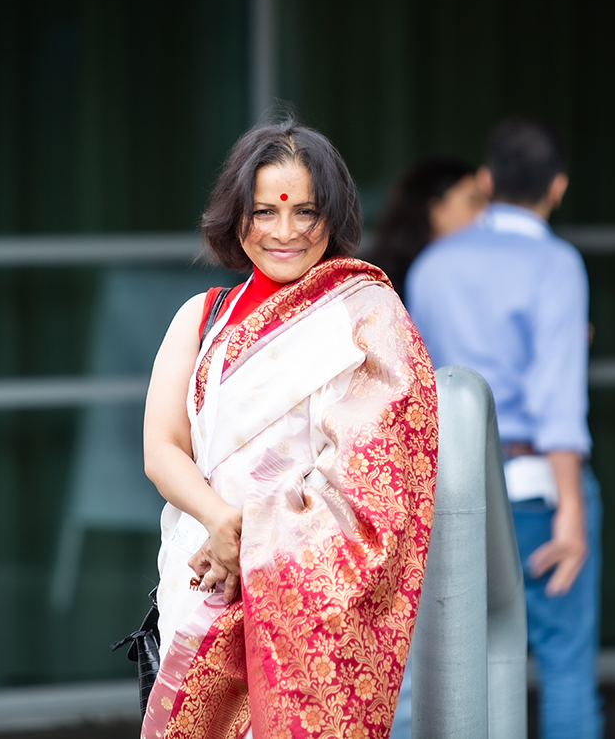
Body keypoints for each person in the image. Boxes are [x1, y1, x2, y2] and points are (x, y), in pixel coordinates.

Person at [140, 118, 439, 738]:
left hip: (307, 605)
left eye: (305, 212)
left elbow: (376, 485)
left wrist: (250, 544)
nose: (285, 232)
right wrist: (220, 523)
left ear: (333, 215)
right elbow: (162, 449)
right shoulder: (203, 317)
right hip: (197, 581)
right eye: (265, 212)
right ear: (236, 216)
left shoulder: (367, 318)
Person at [406, 117, 602, 739]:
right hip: (537, 487)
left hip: (450, 488)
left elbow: (419, 387)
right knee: (565, 663)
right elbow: (556, 397)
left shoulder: (433, 264)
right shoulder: (557, 264)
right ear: (558, 187)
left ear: (487, 181)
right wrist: (572, 507)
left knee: (456, 670)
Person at [367, 158, 489, 296]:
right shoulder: (379, 288)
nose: (485, 212)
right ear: (435, 210)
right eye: (474, 201)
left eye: (488, 202)